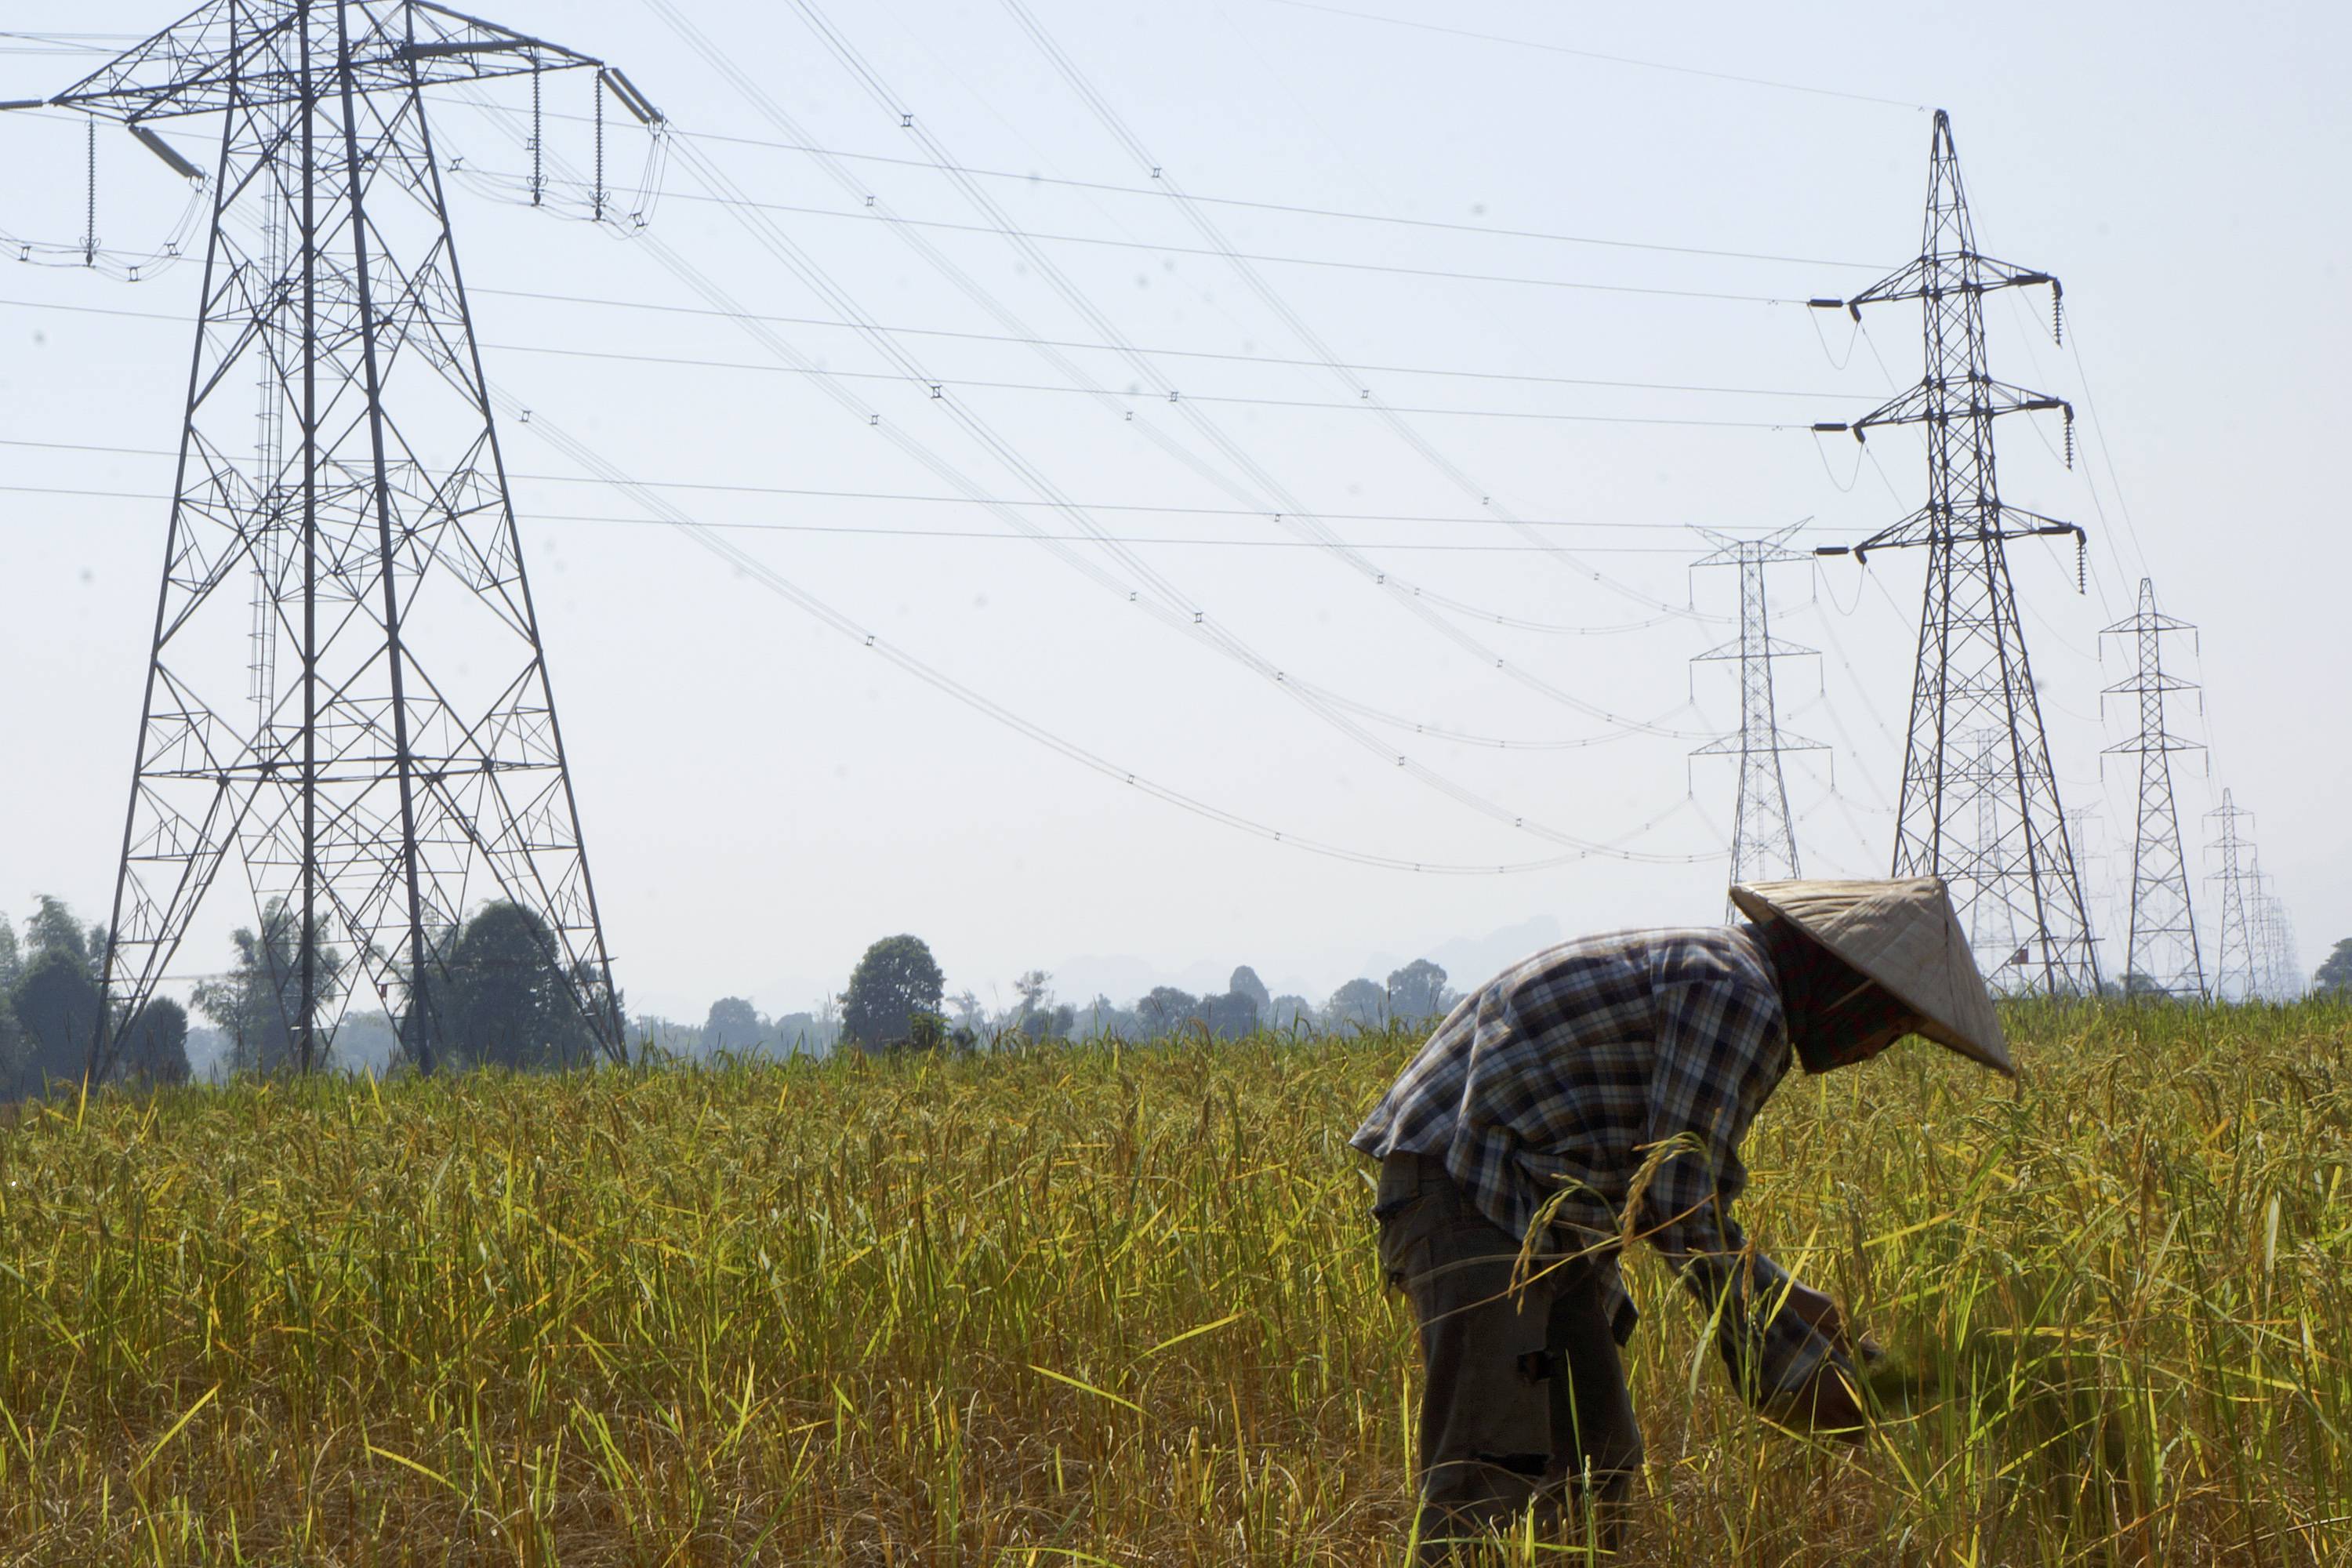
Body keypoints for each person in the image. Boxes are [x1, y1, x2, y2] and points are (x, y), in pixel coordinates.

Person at [1351, 877, 2013, 1560]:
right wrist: (1787, 1366)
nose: (1872, 1050)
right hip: (1471, 1189)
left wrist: (1791, 1303)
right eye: (1890, 1026)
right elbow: (1676, 1198)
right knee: (1491, 1468)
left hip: (1537, 1215)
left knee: (1595, 1457)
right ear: (1850, 989)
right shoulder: (1739, 993)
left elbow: (1674, 1191)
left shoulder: (1732, 979)